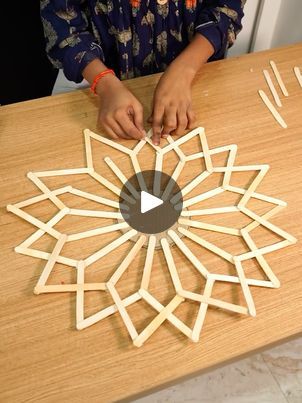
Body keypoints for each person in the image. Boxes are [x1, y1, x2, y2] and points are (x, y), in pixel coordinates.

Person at [41, 0, 245, 144]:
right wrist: (104, 83)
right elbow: (62, 25)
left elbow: (227, 9)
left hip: (198, 80)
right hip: (105, 84)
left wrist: (185, 69)